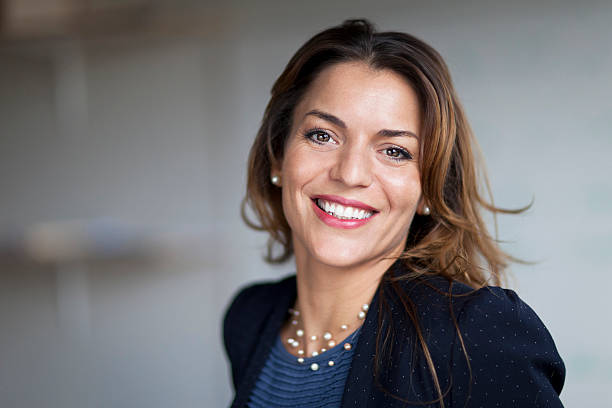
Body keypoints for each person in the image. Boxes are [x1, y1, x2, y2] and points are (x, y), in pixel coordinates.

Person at [223, 19, 565, 408]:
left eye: (394, 151)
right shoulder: (248, 318)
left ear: (428, 190)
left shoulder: (477, 333)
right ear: (278, 156)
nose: (350, 174)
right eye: (323, 135)